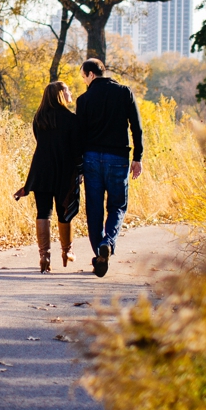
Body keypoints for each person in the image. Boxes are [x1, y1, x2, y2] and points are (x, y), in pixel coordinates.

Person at [74, 57, 143, 277]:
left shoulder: (83, 100)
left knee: (94, 209)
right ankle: (108, 242)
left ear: (91, 74)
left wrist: (79, 166)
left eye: (83, 76)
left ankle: (100, 253)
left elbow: (80, 135)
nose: (84, 81)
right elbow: (137, 127)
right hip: (118, 158)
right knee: (117, 206)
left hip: (91, 158)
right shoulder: (125, 93)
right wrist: (138, 157)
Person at [13, 81, 81, 273]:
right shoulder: (71, 119)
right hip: (64, 171)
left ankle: (44, 256)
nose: (70, 93)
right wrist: (80, 170)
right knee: (64, 212)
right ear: (60, 94)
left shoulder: (39, 118)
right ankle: (67, 251)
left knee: (43, 212)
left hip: (41, 170)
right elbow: (76, 149)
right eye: (67, 90)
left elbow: (39, 142)